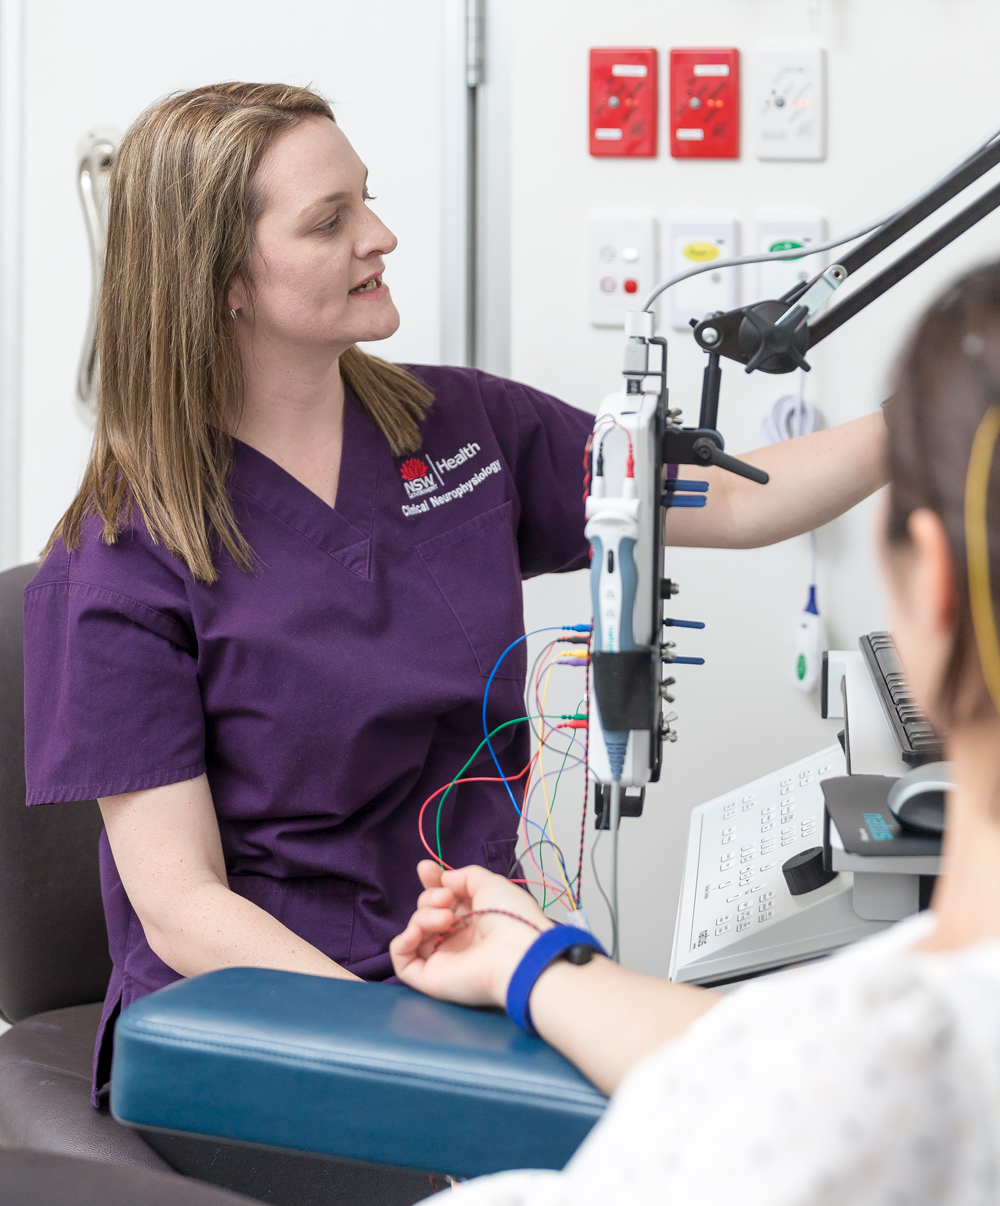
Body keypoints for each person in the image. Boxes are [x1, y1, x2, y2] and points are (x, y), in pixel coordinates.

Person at [22, 81, 887, 1106]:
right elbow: (182, 910)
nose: (380, 236)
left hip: (463, 954)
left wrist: (937, 412)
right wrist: (404, 1036)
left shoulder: (462, 426)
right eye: (329, 221)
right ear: (224, 284)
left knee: (720, 1091)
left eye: (367, 200)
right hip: (261, 1018)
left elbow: (741, 501)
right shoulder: (119, 556)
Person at [390, 262, 1000, 1205]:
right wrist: (526, 961)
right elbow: (760, 1063)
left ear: (933, 586)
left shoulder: (879, 1068)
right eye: (331, 218)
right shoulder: (865, 1046)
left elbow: (798, 1082)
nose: (380, 238)